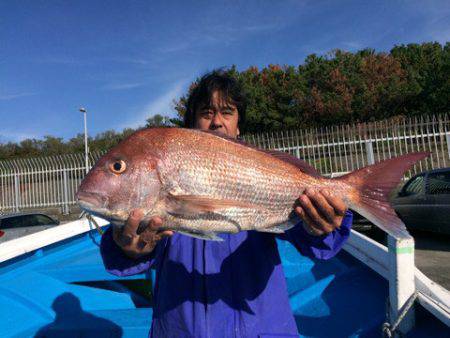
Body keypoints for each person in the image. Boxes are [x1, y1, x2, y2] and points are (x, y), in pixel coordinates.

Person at [100, 70, 352, 337]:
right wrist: (128, 248)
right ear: (191, 124)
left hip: (261, 328)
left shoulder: (259, 171)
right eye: (207, 112)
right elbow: (123, 247)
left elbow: (313, 239)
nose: (217, 122)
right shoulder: (166, 172)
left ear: (238, 125)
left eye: (227, 112)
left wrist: (321, 227)